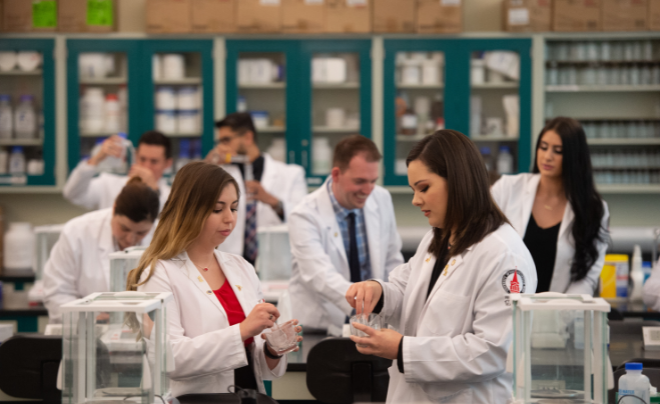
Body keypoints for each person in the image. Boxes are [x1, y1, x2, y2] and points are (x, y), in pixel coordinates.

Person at [346, 130, 537, 404]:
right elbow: (406, 287)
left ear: (458, 182)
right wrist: (378, 292)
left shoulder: (504, 255)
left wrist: (403, 349)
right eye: (413, 190)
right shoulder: (438, 237)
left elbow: (493, 351)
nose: (416, 200)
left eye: (424, 188)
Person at [126, 162, 301, 398]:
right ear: (189, 211)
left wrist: (272, 349)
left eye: (234, 208)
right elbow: (170, 358)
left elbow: (255, 363)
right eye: (218, 210)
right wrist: (241, 330)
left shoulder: (241, 268)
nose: (229, 219)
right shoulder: (159, 273)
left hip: (247, 397)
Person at [288, 135, 403, 336]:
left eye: (373, 181)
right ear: (336, 174)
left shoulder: (381, 198)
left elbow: (392, 261)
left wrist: (390, 302)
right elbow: (319, 274)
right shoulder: (304, 214)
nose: (367, 190)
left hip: (374, 321)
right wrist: (366, 302)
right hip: (319, 326)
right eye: (359, 181)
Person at [491, 117, 609, 294]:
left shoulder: (593, 209)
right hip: (505, 307)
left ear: (574, 156)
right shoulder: (507, 188)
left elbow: (587, 278)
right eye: (543, 147)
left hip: (559, 314)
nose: (547, 156)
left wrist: (558, 317)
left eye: (558, 151)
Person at [43, 177, 159, 323]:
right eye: (124, 228)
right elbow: (57, 293)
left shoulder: (164, 237)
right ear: (114, 208)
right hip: (85, 334)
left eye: (141, 233)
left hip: (144, 334)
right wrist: (89, 319)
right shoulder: (77, 232)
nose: (130, 239)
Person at [208, 113, 307, 264]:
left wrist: (271, 200)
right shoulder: (218, 173)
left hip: (274, 263)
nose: (222, 147)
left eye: (226, 140)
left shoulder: (291, 174)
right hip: (228, 261)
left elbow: (304, 218)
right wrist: (209, 164)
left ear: (248, 137)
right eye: (220, 141)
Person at [63, 130, 173, 211]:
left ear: (168, 163)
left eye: (154, 162)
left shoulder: (171, 196)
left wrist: (154, 189)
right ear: (135, 155)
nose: (146, 167)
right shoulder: (109, 184)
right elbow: (72, 194)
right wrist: (97, 159)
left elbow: (165, 215)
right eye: (142, 159)